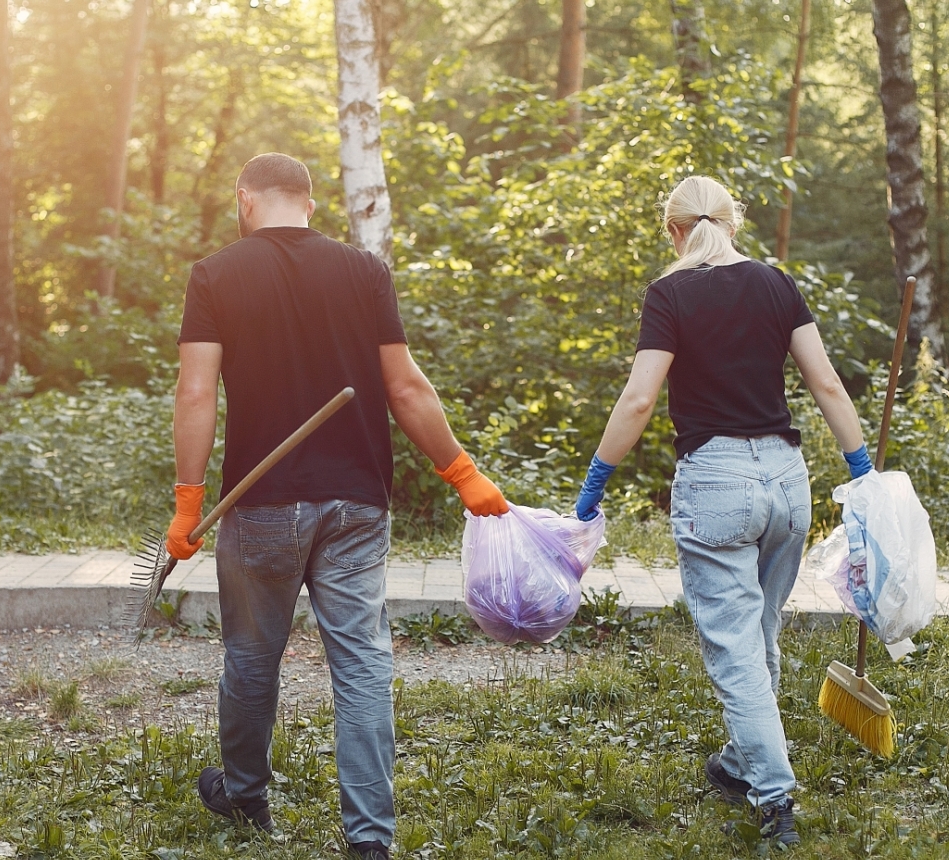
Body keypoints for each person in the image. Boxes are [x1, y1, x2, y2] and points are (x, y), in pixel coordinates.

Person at [169, 153, 509, 860]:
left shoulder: (216, 274)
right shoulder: (363, 272)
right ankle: (369, 841)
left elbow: (196, 393)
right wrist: (461, 472)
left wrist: (188, 502)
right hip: (356, 502)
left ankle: (245, 795)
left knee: (252, 657)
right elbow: (407, 388)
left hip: (259, 504)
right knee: (360, 665)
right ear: (311, 205)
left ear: (246, 200)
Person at [572, 175, 872, 847]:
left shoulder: (670, 293)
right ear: (733, 226)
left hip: (717, 483)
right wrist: (863, 472)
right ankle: (739, 763)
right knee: (759, 627)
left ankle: (774, 796)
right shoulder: (775, 283)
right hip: (787, 481)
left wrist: (594, 485)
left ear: (673, 231)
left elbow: (640, 400)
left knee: (737, 647)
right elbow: (825, 382)